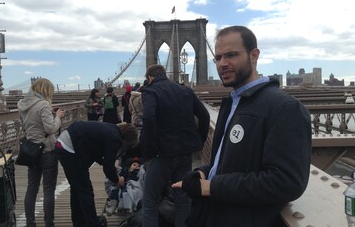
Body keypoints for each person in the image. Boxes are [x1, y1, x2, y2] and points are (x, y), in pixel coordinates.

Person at [172, 25, 312, 227]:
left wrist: (210, 187)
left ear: (254, 55)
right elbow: (233, 162)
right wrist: (204, 171)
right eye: (218, 57)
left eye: (231, 55)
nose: (222, 63)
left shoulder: (285, 108)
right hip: (212, 216)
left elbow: (287, 183)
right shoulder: (232, 102)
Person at [140, 64, 210, 227]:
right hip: (185, 154)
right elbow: (204, 116)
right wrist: (199, 141)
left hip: (161, 155)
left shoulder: (150, 91)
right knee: (182, 200)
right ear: (164, 74)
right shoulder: (185, 91)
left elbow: (149, 119)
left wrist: (150, 150)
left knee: (150, 201)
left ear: (150, 78)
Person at [54, 121, 138, 227]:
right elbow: (108, 169)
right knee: (85, 190)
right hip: (70, 148)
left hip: (65, 143)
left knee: (77, 188)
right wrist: (117, 180)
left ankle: (79, 221)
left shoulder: (112, 129)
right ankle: (93, 223)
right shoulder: (115, 139)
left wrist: (108, 165)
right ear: (126, 140)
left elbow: (96, 151)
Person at [17, 78, 65, 227]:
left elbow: (30, 123)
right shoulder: (43, 104)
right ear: (46, 90)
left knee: (32, 187)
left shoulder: (22, 104)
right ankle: (49, 222)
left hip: (32, 151)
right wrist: (57, 117)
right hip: (47, 151)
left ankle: (30, 222)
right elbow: (50, 129)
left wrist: (49, 111)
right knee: (48, 189)